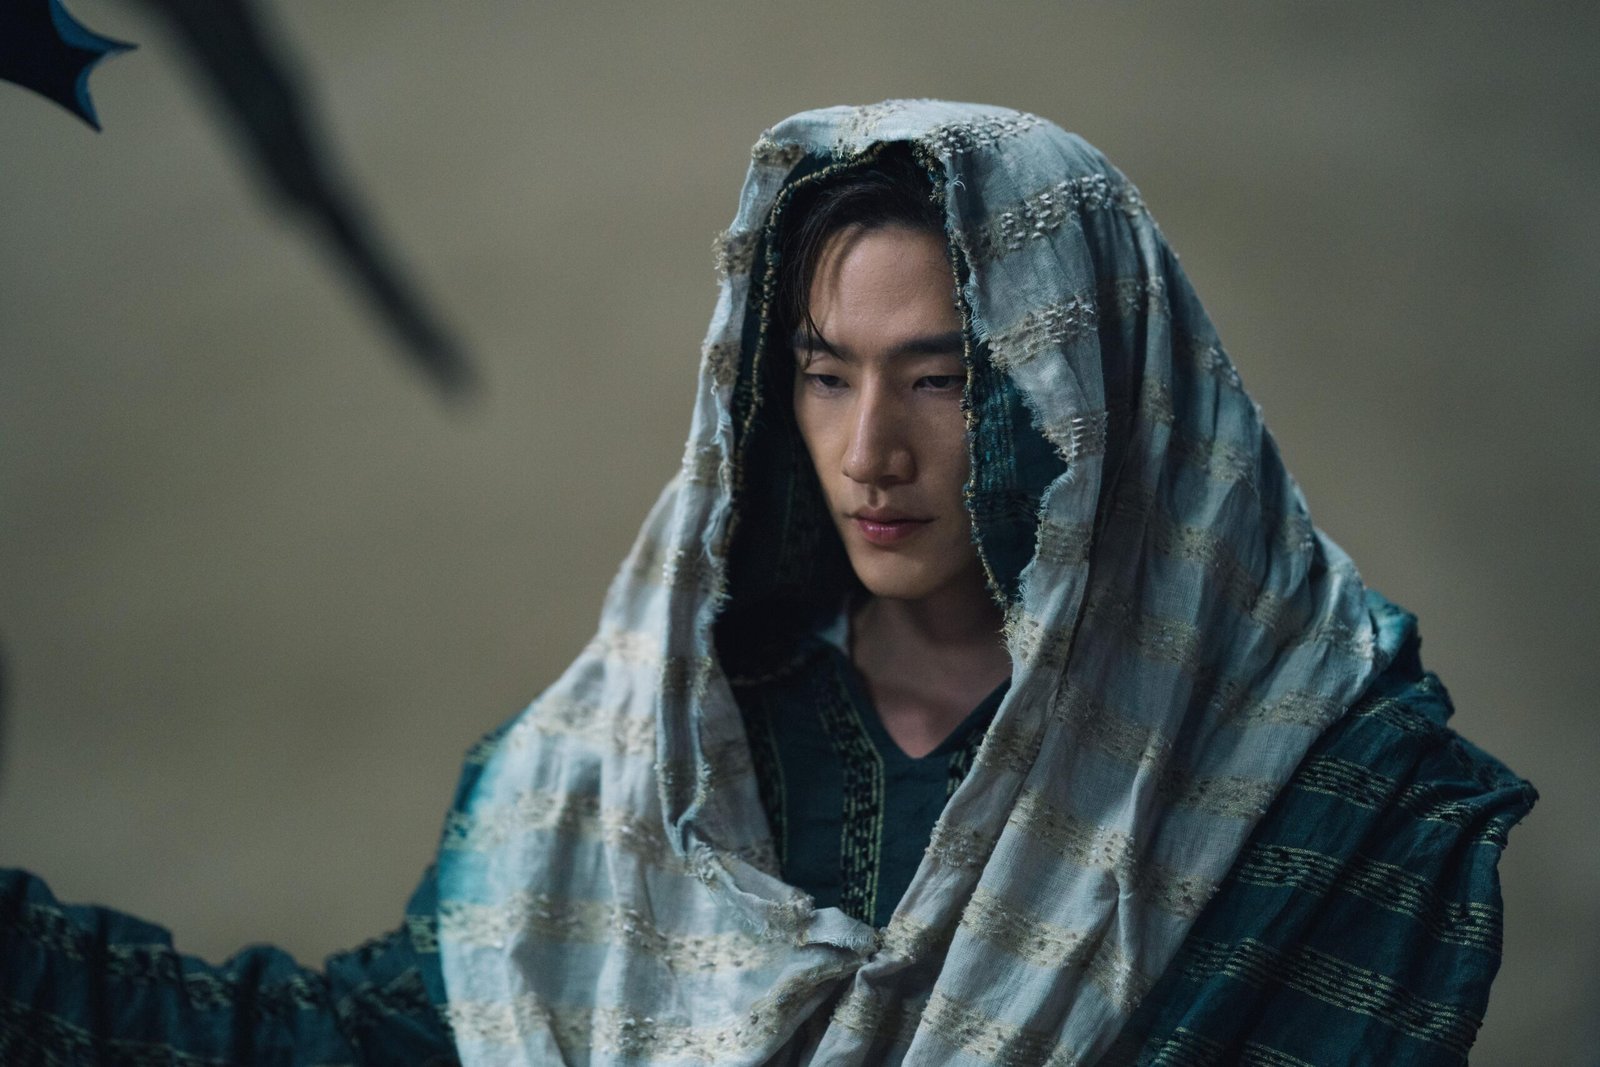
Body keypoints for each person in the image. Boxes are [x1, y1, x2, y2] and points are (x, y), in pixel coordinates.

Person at [0, 101, 1534, 1065]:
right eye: (824, 373)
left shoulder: (1330, 801)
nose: (872, 452)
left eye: (942, 380)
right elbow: (366, 1044)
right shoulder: (646, 763)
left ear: (1087, 392)